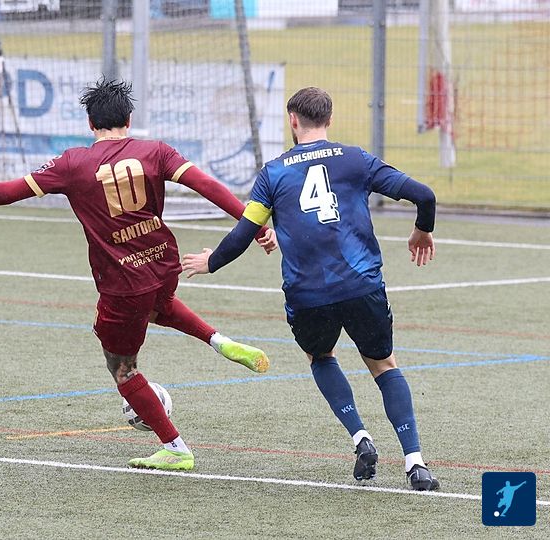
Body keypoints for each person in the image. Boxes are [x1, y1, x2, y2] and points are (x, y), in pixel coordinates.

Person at [0, 78, 276, 471]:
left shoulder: (72, 163)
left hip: (123, 283)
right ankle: (220, 341)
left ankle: (175, 448)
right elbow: (208, 187)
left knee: (122, 368)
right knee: (158, 306)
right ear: (129, 119)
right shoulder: (156, 151)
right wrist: (255, 226)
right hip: (164, 262)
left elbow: (5, 192)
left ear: (91, 124)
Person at [182, 87, 441, 490]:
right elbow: (424, 195)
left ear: (293, 120)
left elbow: (244, 233)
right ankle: (415, 463)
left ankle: (360, 437)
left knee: (320, 356)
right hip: (361, 285)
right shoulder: (356, 159)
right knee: (384, 366)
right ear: (329, 119)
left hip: (308, 295)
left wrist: (210, 261)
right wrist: (422, 230)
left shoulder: (273, 173)